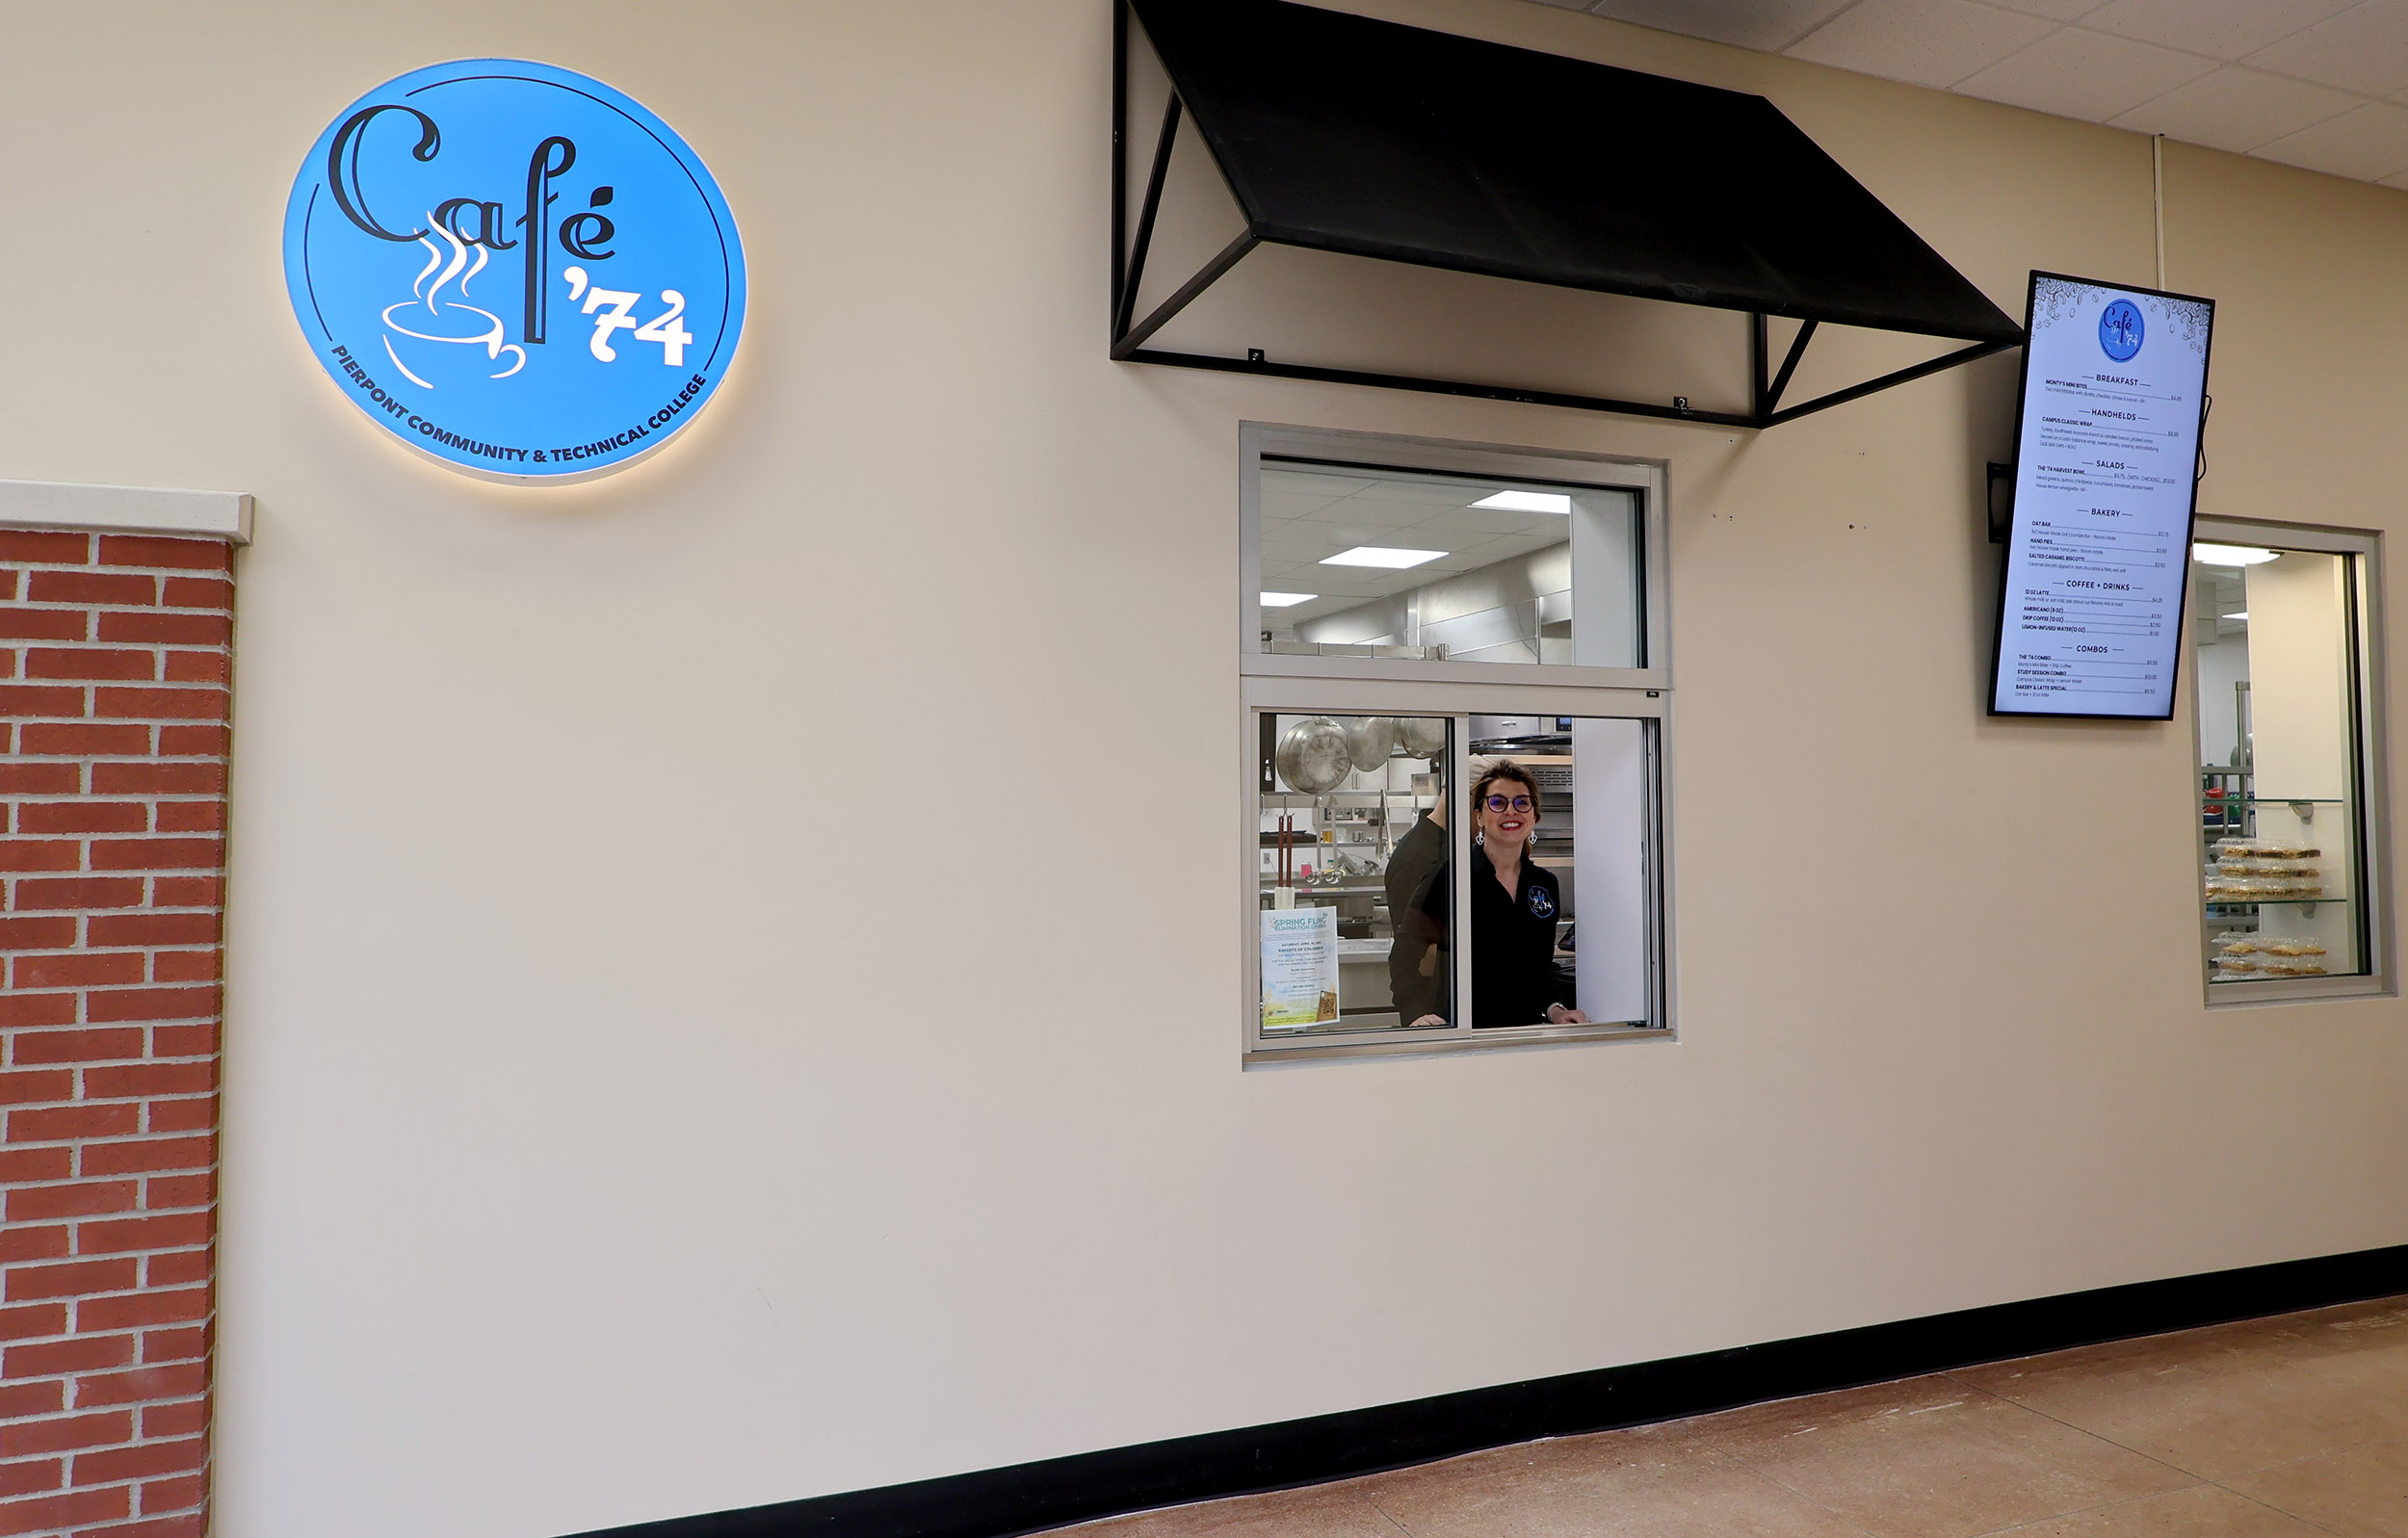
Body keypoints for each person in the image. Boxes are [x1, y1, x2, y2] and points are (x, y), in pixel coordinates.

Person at [1408, 761, 1588, 1030]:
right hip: (1463, 1033)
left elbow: (1539, 968)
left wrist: (1555, 1010)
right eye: (1497, 802)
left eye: (1521, 803)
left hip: (1525, 1034)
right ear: (1479, 815)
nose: (1511, 811)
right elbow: (1406, 951)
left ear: (1534, 816)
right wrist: (1416, 1013)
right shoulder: (1451, 876)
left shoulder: (1544, 885)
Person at [1383, 770, 1449, 1027]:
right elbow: (1410, 951)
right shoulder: (1420, 854)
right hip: (1430, 1010)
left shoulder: (1451, 844)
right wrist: (1415, 1012)